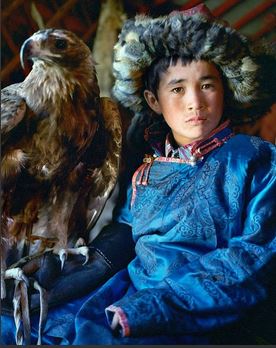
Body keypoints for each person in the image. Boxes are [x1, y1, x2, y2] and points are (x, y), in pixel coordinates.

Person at [2, 3, 275, 345]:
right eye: (177, 89)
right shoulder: (147, 165)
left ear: (226, 90)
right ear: (153, 99)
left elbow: (253, 259)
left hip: (195, 314)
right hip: (124, 293)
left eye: (207, 85)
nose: (195, 102)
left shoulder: (257, 159)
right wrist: (82, 271)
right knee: (20, 327)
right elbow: (126, 232)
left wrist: (148, 308)